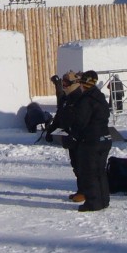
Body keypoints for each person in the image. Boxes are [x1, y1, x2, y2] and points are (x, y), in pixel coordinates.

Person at [66, 70, 112, 212]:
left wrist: (72, 134)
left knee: (89, 172)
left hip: (91, 141)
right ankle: (103, 200)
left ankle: (93, 202)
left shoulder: (86, 100)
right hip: (104, 138)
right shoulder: (100, 97)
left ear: (84, 83)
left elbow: (80, 122)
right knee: (100, 172)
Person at [45, 71, 84, 200]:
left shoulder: (80, 98)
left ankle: (85, 192)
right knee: (76, 166)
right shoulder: (66, 98)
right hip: (69, 137)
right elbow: (60, 114)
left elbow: (83, 119)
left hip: (80, 138)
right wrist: (51, 129)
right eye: (63, 83)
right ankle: (81, 190)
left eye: (66, 83)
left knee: (83, 166)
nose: (64, 86)